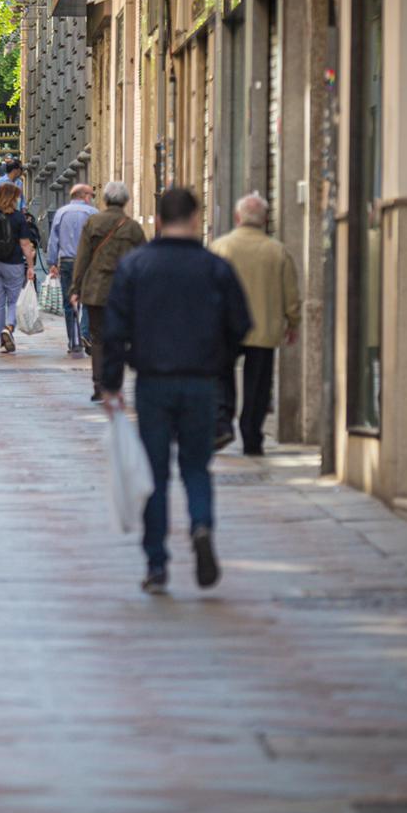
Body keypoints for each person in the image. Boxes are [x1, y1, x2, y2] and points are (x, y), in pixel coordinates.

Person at [100, 188, 251, 596]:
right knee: (197, 467)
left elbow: (113, 330)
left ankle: (156, 563)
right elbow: (241, 324)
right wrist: (219, 360)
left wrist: (111, 384)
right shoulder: (214, 267)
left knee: (155, 473)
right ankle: (201, 525)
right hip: (201, 382)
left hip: (153, 383)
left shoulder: (136, 266)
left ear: (161, 219)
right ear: (195, 216)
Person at [211, 193, 299, 456]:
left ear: (238, 218)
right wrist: (292, 321)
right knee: (258, 385)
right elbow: (291, 293)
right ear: (264, 220)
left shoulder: (220, 247)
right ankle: (252, 436)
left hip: (225, 329)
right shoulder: (277, 250)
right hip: (264, 328)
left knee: (222, 376)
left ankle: (224, 421)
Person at [70, 181, 147, 401]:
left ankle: (99, 383)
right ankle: (114, 384)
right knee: (120, 338)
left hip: (95, 289)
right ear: (126, 201)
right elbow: (143, 260)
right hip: (123, 290)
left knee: (98, 338)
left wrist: (75, 287)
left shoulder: (93, 222)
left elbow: (82, 258)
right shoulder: (132, 228)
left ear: (104, 200)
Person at [0, 183, 39, 353]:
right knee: (13, 301)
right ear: (13, 198)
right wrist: (30, 267)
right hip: (13, 264)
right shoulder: (19, 218)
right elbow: (25, 244)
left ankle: (1, 339)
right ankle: (9, 328)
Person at [45, 182, 97, 357]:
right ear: (84, 196)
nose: (92, 199)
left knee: (69, 303)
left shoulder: (61, 213)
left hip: (66, 261)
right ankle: (84, 333)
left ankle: (73, 340)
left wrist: (52, 262)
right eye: (91, 195)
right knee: (89, 299)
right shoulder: (92, 214)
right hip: (88, 262)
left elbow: (54, 239)